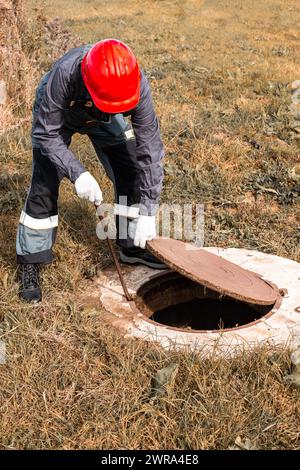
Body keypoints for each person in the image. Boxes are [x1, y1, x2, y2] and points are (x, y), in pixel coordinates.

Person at [17, 39, 166, 303]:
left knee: (130, 169)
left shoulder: (134, 84)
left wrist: (148, 210)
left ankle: (131, 246)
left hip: (107, 108)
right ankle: (31, 259)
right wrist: (78, 173)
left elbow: (150, 148)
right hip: (60, 114)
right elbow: (46, 135)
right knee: (45, 182)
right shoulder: (63, 75)